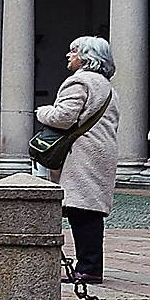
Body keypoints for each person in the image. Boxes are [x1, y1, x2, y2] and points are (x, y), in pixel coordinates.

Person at [37, 35, 122, 284]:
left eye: (73, 51)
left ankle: (89, 268)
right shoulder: (106, 86)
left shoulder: (80, 82)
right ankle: (89, 265)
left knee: (82, 211)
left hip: (83, 153)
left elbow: (63, 117)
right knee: (89, 210)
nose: (68, 56)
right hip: (100, 150)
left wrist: (42, 112)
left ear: (86, 57)